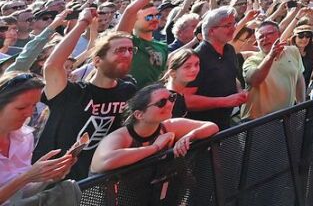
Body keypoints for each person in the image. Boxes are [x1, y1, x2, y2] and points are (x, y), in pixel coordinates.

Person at [37, 14, 138, 179]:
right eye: (120, 50)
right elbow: (52, 66)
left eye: (130, 50)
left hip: (101, 177)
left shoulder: (128, 91)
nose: (127, 54)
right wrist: (82, 23)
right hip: (57, 179)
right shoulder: (72, 92)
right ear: (97, 61)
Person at [89, 84, 217, 173]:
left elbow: (212, 127)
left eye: (171, 98)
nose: (170, 104)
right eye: (161, 103)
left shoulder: (169, 126)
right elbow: (103, 162)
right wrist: (154, 148)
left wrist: (190, 136)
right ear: (139, 114)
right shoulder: (122, 136)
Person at [0, 72, 75, 203]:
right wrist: (26, 177)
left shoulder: (25, 137)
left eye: (34, 105)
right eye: (21, 108)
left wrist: (47, 177)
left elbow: (21, 193)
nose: (29, 114)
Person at [116, 0, 186, 87]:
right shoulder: (126, 41)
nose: (154, 19)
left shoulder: (162, 46)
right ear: (134, 21)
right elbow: (130, 11)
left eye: (157, 15)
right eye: (149, 17)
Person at [185, 7, 248, 130]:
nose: (234, 28)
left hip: (225, 123)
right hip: (201, 130)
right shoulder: (196, 58)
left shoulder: (229, 49)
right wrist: (225, 101)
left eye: (234, 24)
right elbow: (187, 100)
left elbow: (231, 76)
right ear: (212, 30)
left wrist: (240, 92)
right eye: (228, 25)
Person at [242, 21, 305, 119]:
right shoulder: (252, 61)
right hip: (257, 122)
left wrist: (302, 104)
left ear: (279, 35)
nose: (265, 38)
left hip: (286, 117)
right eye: (261, 37)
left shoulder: (293, 51)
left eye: (269, 34)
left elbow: (299, 78)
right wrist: (271, 56)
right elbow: (254, 80)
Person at [164, 48, 200, 118]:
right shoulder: (171, 98)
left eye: (197, 64)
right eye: (187, 66)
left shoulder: (177, 93)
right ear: (172, 73)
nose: (194, 69)